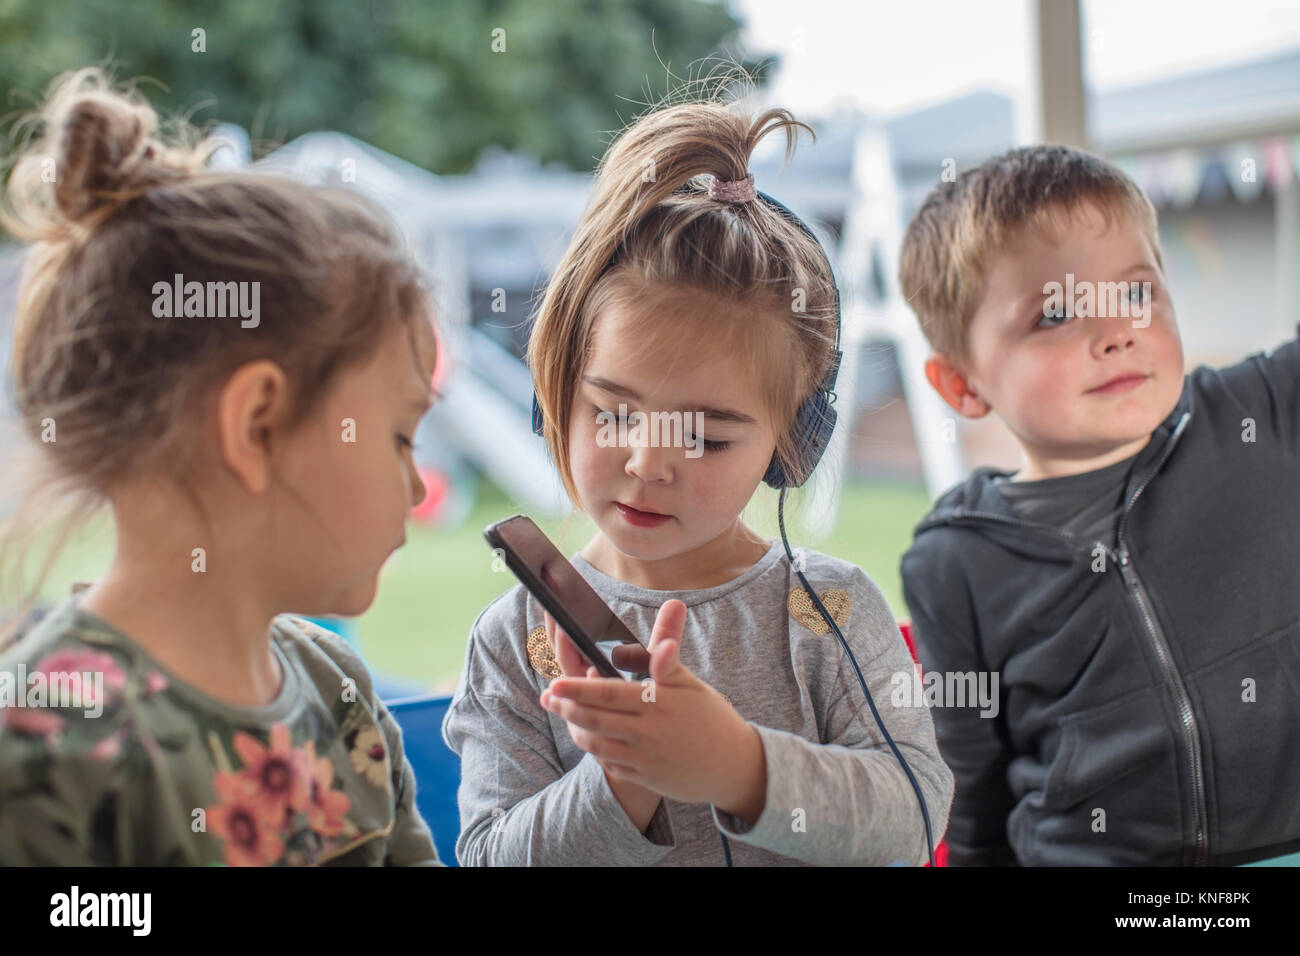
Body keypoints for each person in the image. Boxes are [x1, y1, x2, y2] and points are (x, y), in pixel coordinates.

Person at [442, 86, 954, 866]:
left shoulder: (831, 612)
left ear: (792, 444)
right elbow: (487, 857)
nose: (648, 463)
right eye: (614, 414)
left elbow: (913, 809)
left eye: (708, 438)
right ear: (556, 394)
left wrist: (736, 766)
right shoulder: (516, 641)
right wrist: (621, 778)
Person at [0, 68, 441, 866]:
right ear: (257, 424)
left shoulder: (338, 686)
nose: (415, 487)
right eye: (401, 438)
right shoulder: (38, 746)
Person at [897, 144, 1300, 865]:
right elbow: (974, 794)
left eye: (1137, 293)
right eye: (1055, 313)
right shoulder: (951, 561)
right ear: (962, 385)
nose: (1115, 330)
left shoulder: (1262, 413)